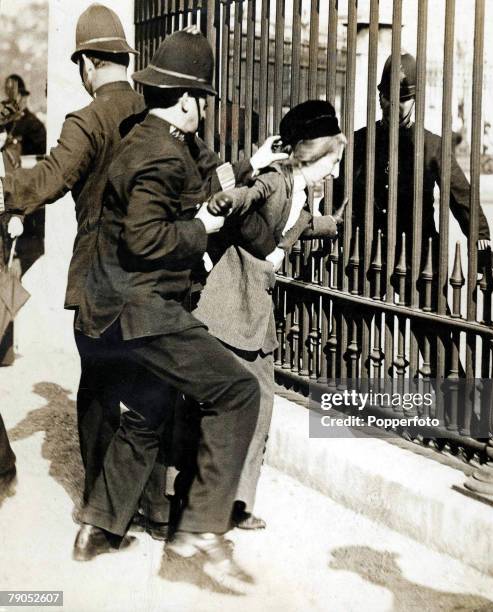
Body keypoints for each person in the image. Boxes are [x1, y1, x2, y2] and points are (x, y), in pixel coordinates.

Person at [72, 30, 261, 589]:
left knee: (150, 406)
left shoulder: (145, 137)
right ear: (186, 102)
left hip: (106, 311)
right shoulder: (160, 153)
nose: (204, 107)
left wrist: (236, 177)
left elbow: (189, 184)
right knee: (237, 391)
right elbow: (146, 238)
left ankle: (99, 526)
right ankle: (201, 531)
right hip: (141, 309)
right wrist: (200, 228)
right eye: (202, 98)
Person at [0, 4, 173, 528]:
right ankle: (155, 501)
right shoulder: (153, 114)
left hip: (102, 279)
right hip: (155, 275)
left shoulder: (89, 119)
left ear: (87, 64)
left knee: (98, 389)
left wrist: (5, 190)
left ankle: (102, 502)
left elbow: (47, 181)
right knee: (148, 384)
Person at [193, 100, 347, 529]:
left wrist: (326, 226)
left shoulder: (299, 191)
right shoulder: (275, 181)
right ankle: (207, 499)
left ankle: (236, 503)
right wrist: (230, 198)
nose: (335, 172)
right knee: (228, 403)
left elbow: (293, 226)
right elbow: (250, 198)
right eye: (333, 161)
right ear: (313, 153)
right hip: (230, 306)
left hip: (252, 315)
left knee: (257, 404)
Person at [344, 53, 492, 303]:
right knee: (355, 334)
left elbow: (462, 198)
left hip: (419, 257)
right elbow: (341, 196)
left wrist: (481, 247)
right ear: (380, 97)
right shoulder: (360, 141)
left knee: (435, 336)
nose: (397, 105)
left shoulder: (432, 146)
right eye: (390, 97)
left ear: (415, 101)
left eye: (405, 99)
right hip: (368, 254)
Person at [2, 74, 46, 157]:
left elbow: (40, 155)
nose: (8, 97)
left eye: (12, 92)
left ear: (23, 96)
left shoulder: (35, 125)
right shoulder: (4, 122)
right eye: (7, 90)